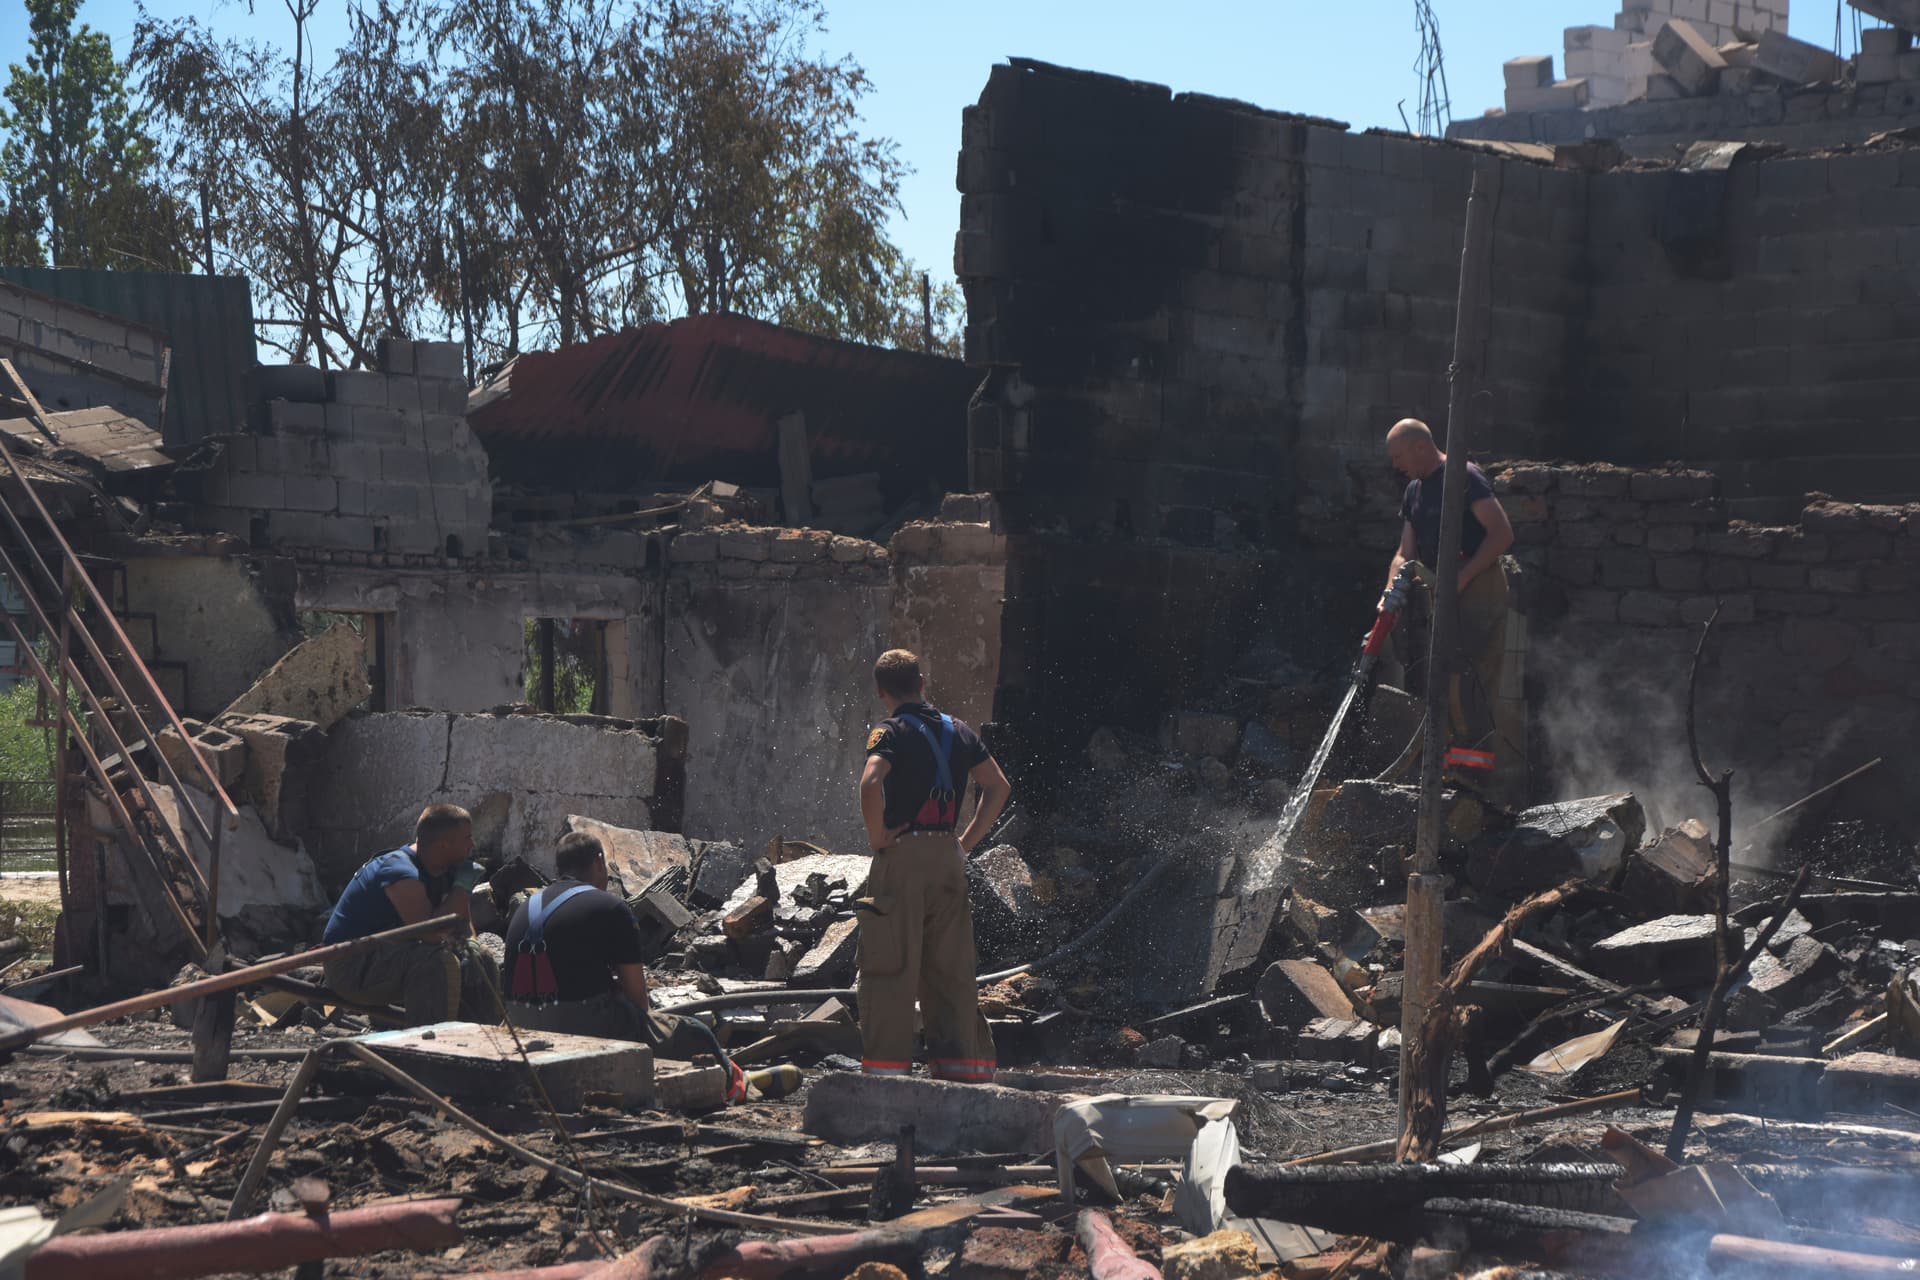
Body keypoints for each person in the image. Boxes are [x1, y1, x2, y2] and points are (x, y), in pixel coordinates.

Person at [855, 648, 1012, 1083]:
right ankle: (964, 1069)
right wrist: (964, 843)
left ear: (881, 691)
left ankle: (888, 1075)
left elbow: (871, 783)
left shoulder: (889, 731)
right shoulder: (958, 731)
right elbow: (997, 788)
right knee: (951, 968)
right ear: (922, 683)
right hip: (947, 859)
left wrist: (878, 836)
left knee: (892, 965)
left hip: (903, 856)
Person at [502, 831, 744, 1098]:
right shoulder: (612, 908)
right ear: (598, 862)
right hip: (579, 1024)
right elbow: (638, 1001)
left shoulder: (528, 905)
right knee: (695, 1032)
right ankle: (736, 1085)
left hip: (519, 1022)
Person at [1379, 417, 1517, 785]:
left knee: (1468, 680)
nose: (1395, 465)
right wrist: (1389, 592)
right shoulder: (1414, 491)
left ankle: (1476, 782)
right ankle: (1450, 774)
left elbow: (1502, 535)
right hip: (1440, 590)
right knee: (1440, 677)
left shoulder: (1464, 477)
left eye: (1398, 456)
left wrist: (1463, 576)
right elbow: (1404, 553)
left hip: (1478, 587)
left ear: (1421, 447)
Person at [321, 803, 501, 1026]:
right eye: (467, 838)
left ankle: (481, 1046)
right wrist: (462, 887)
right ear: (444, 845)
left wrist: (470, 943)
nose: (472, 845)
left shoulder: (446, 869)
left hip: (392, 954)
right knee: (436, 962)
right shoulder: (399, 871)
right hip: (351, 965)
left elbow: (461, 924)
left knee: (480, 957)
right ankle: (431, 1050)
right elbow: (431, 935)